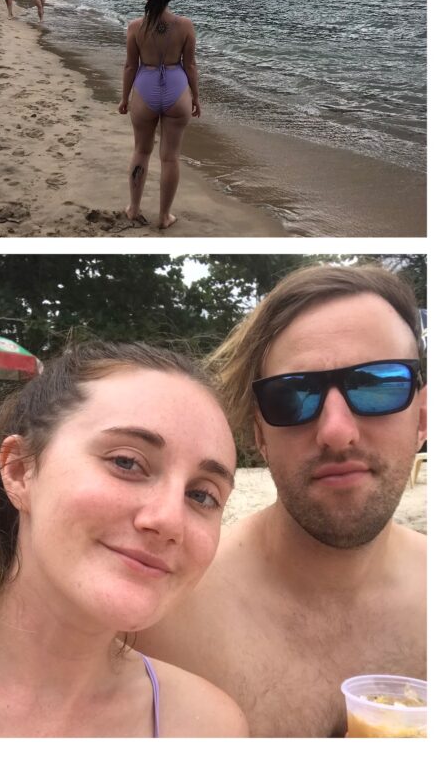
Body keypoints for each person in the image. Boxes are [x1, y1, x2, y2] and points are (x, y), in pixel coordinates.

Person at [137, 264, 427, 737]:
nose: (336, 432)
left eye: (377, 385)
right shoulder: (161, 615)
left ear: (423, 418)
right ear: (260, 434)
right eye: (293, 397)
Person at [0, 341, 248, 738]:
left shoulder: (208, 728)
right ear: (19, 471)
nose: (169, 521)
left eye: (202, 495)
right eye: (126, 462)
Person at [118, 0, 200, 230]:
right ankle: (164, 216)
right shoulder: (185, 25)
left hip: (146, 87)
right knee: (170, 158)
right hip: (176, 87)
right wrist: (196, 97)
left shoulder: (135, 27)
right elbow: (190, 65)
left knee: (141, 151)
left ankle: (134, 208)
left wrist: (124, 97)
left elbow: (131, 65)